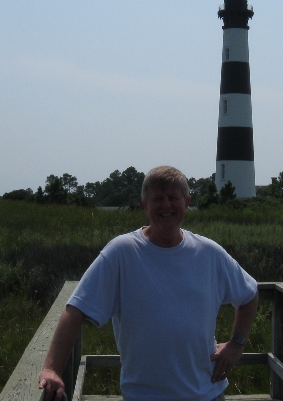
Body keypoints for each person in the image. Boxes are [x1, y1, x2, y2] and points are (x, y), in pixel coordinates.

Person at [39, 165, 259, 401]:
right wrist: (52, 368)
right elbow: (76, 310)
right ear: (145, 205)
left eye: (173, 198)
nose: (166, 205)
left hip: (206, 393)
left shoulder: (209, 253)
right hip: (143, 395)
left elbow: (249, 295)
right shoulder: (122, 252)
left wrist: (236, 344)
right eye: (157, 199)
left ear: (187, 202)